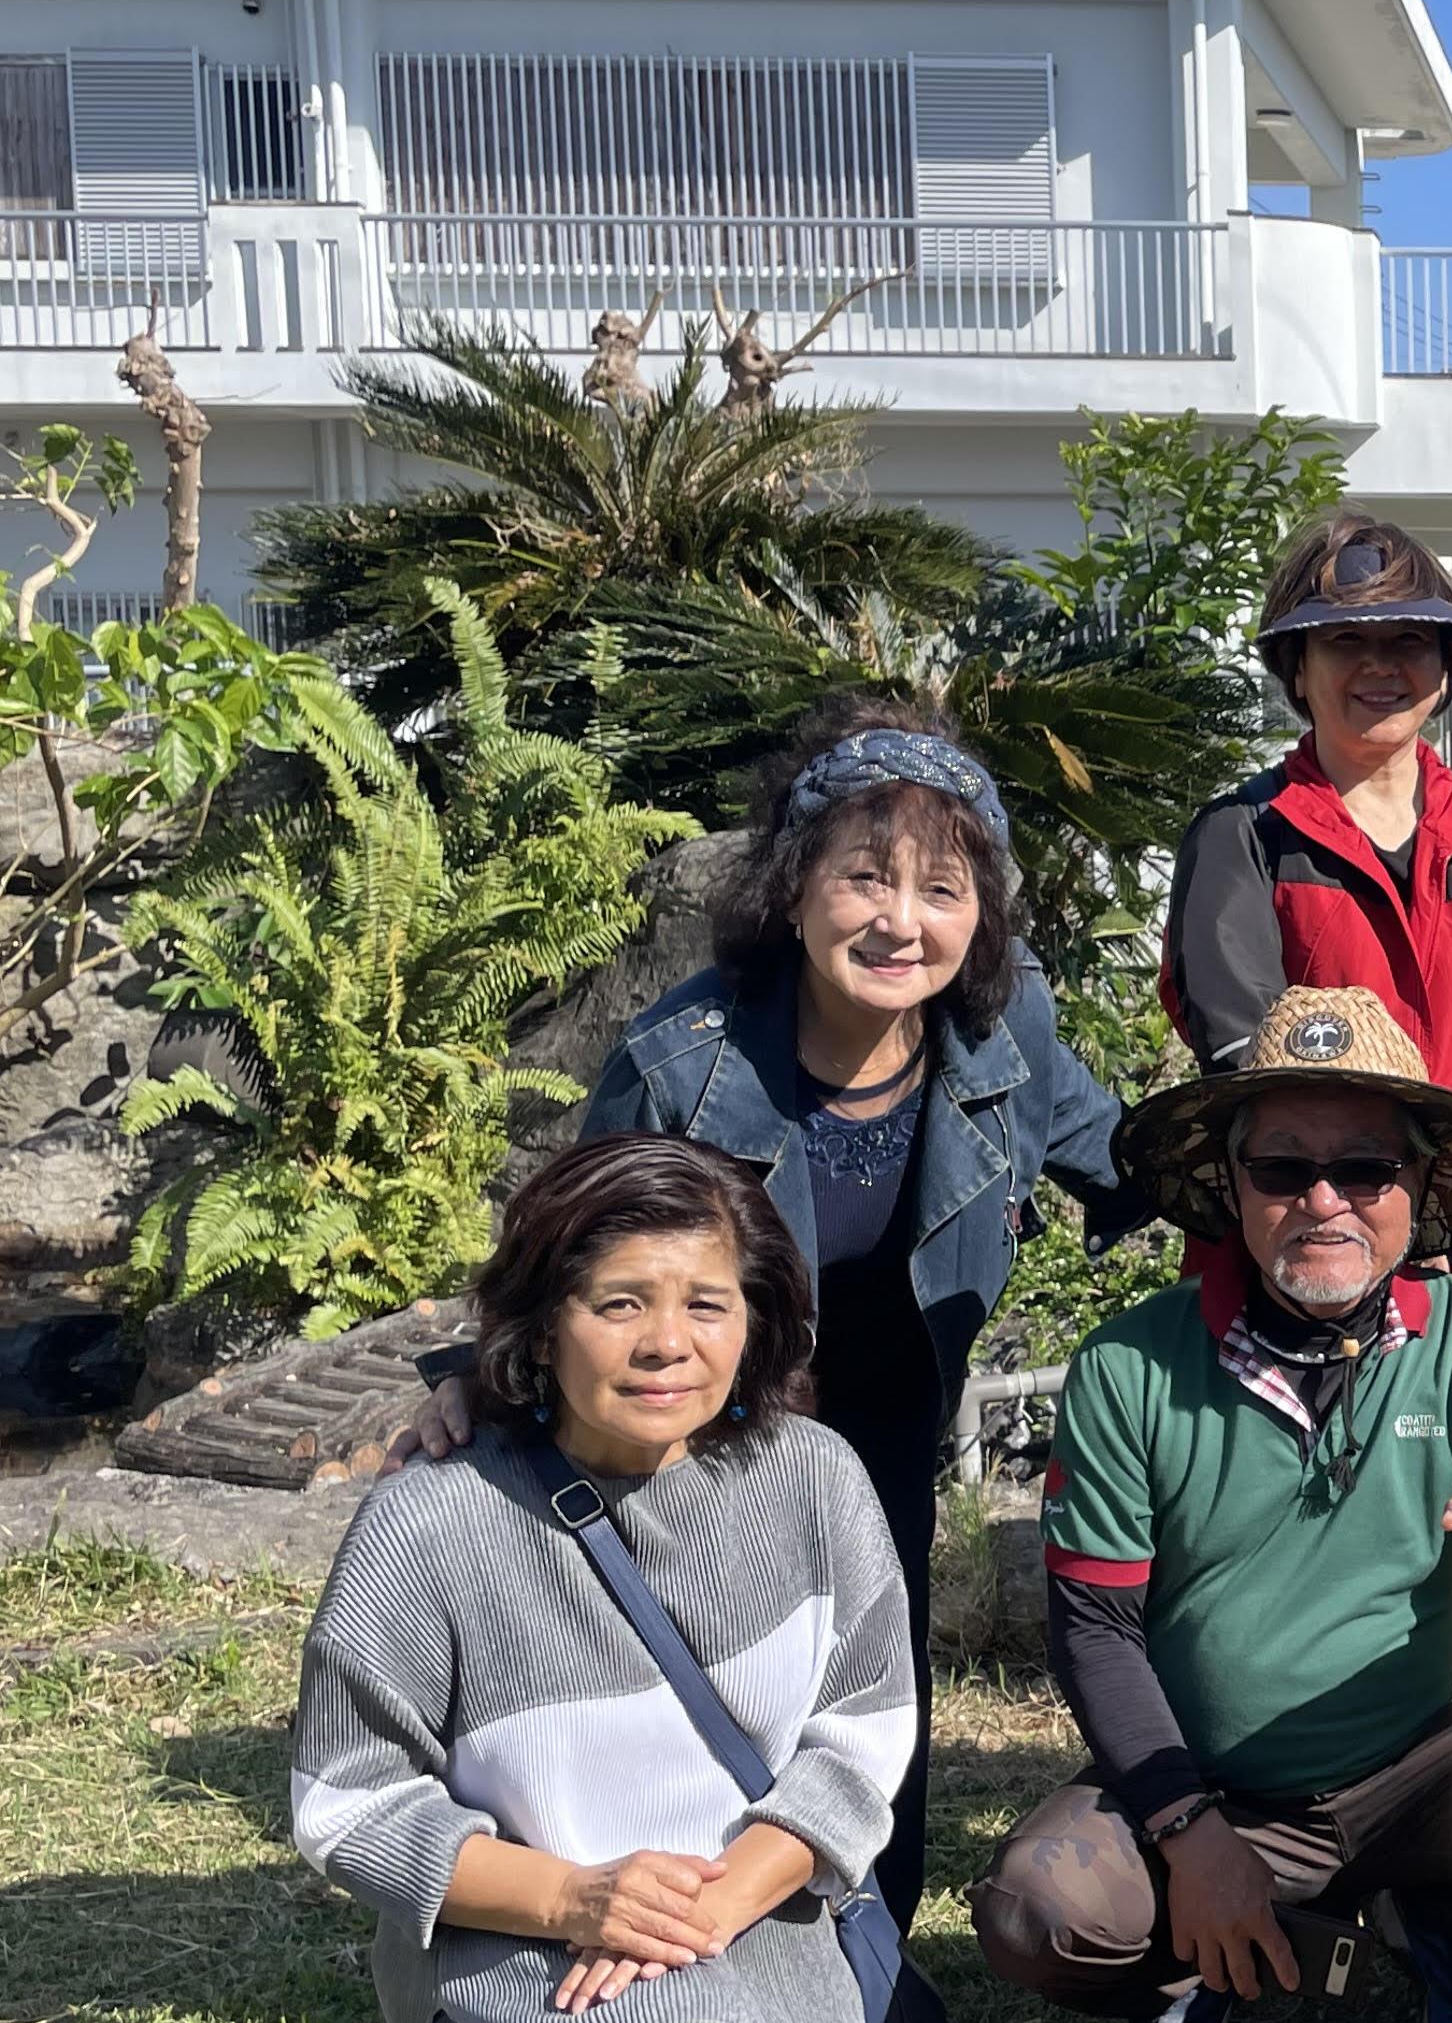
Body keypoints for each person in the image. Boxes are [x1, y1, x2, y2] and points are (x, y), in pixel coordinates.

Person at [402, 698, 1139, 1933]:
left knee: (874, 1703)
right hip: (706, 1430)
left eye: (943, 889)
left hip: (889, 1422)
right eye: (865, 877)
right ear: (795, 888)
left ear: (982, 916)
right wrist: (474, 1374)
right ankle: (678, 1940)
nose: (901, 921)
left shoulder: (1002, 1028)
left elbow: (1127, 1159)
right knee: (711, 1699)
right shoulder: (683, 1060)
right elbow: (571, 1257)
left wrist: (1299, 1171)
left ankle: (870, 1965)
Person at [291, 1133, 914, 2023]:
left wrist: (716, 1905)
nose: (666, 1343)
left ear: (757, 1320)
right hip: (522, 1940)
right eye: (618, 1302)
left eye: (706, 1304)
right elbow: (345, 1796)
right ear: (541, 1324)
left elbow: (864, 1723)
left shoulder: (816, 1479)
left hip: (747, 1914)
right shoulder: (433, 1519)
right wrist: (578, 1898)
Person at [968, 988, 1452, 2023]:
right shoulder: (1128, 1366)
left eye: (1366, 1170)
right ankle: (1199, 1964)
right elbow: (1095, 1629)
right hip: (1221, 1781)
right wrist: (1188, 1829)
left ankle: (1436, 1918)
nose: (1323, 1201)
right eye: (1282, 1169)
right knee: (1040, 1912)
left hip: (1434, 1770)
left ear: (1419, 1186)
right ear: (1232, 1186)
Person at [1162, 509, 1452, 1331]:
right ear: (1297, 668)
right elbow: (1243, 1042)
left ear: (1446, 667)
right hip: (1311, 1225)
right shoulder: (1243, 838)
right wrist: (1379, 1183)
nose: (1379, 665)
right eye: (1345, 642)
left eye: (1408, 640)